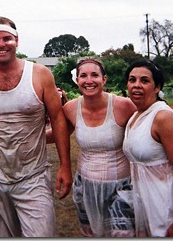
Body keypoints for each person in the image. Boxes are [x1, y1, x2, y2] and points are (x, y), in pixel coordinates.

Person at [0, 16, 72, 237]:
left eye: (7, 38)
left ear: (17, 40)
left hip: (34, 175)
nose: (1, 44)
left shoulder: (40, 74)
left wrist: (65, 165)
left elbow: (58, 119)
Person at [46, 59, 137, 237]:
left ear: (104, 79)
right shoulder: (71, 108)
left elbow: (146, 127)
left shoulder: (124, 106)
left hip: (121, 188)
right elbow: (58, 134)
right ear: (77, 81)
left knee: (123, 234)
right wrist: (26, 137)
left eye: (94, 75)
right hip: (85, 187)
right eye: (83, 76)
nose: (89, 81)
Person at [122, 59, 173, 237]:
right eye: (132, 80)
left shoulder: (162, 117)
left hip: (168, 208)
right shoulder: (135, 117)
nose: (136, 85)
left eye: (144, 81)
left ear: (157, 87)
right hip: (146, 206)